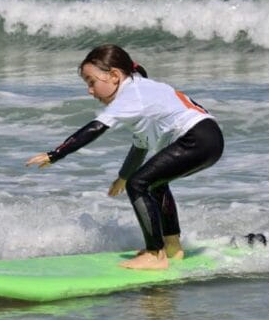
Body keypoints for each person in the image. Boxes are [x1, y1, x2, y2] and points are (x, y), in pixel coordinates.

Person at [26, 44, 224, 270]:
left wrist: (55, 154)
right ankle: (171, 247)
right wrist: (123, 176)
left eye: (92, 82)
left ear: (114, 76)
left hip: (196, 138)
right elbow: (140, 146)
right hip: (209, 139)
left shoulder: (132, 95)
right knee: (155, 184)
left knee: (138, 184)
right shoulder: (142, 92)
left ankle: (155, 255)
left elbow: (96, 128)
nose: (90, 91)